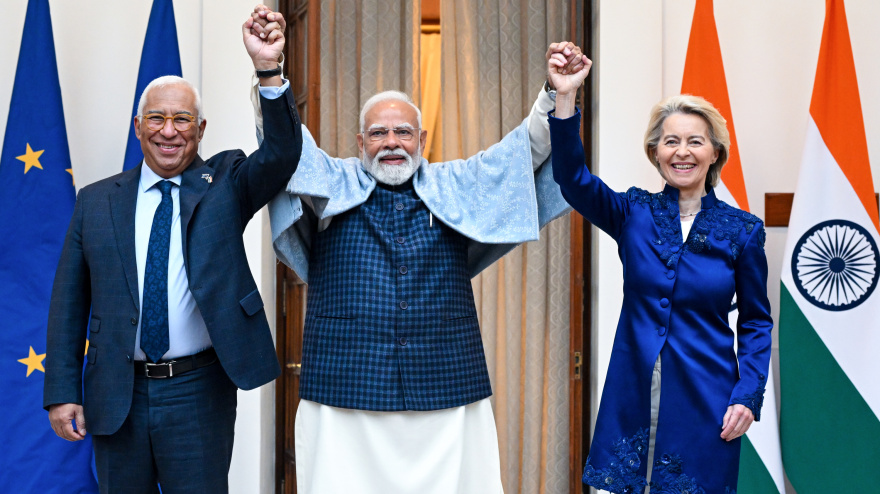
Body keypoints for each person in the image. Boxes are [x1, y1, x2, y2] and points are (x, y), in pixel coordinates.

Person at [257, 35, 586, 493]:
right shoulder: (331, 180)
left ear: (422, 139)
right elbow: (286, 148)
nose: (391, 143)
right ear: (359, 142)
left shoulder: (455, 183)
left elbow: (523, 151)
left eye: (403, 132)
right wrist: (270, 72)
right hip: (346, 386)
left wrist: (558, 93)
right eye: (378, 133)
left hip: (445, 384)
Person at [42, 8, 301, 493]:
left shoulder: (226, 182)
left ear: (200, 131)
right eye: (157, 118)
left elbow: (283, 156)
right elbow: (68, 304)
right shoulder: (96, 202)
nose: (169, 130)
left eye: (182, 119)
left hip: (198, 390)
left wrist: (268, 68)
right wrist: (60, 391)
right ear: (137, 127)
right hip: (118, 393)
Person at [547, 50, 773, 493]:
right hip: (631, 394)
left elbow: (756, 322)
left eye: (695, 141)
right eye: (670, 141)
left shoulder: (743, 232)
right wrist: (566, 96)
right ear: (655, 152)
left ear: (715, 152)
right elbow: (571, 177)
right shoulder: (633, 212)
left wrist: (748, 395)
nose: (682, 152)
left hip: (707, 399)